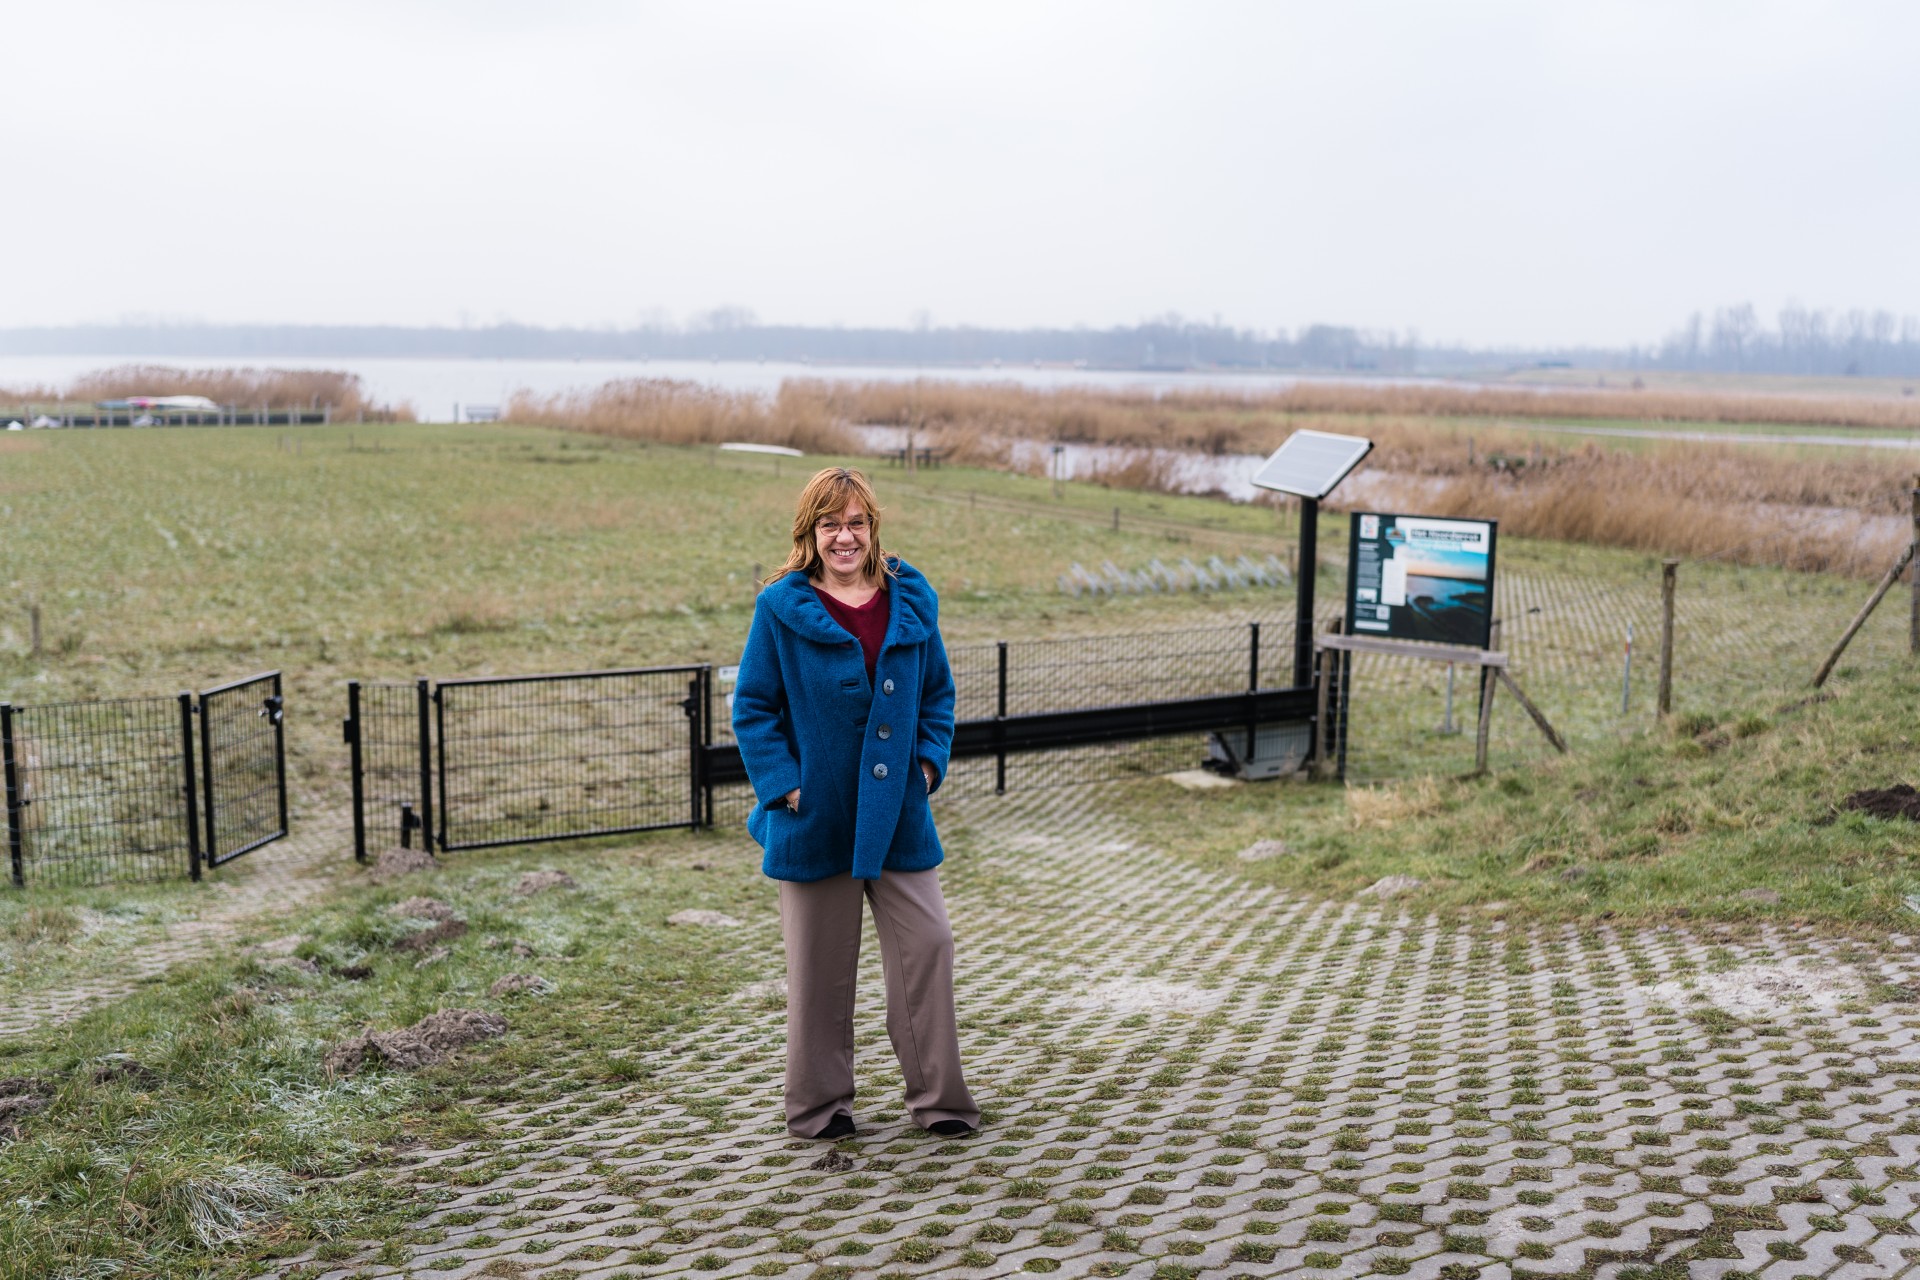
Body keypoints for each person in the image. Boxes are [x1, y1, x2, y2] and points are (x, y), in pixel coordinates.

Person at [731, 466, 980, 1141]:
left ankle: (940, 1101)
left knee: (929, 944)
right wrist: (788, 787)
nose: (844, 537)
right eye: (830, 524)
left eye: (856, 523)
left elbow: (937, 695)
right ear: (810, 533)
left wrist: (925, 766)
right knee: (819, 970)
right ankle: (820, 1108)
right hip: (814, 818)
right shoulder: (780, 608)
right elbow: (753, 708)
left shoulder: (910, 600)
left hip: (899, 814)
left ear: (873, 528)